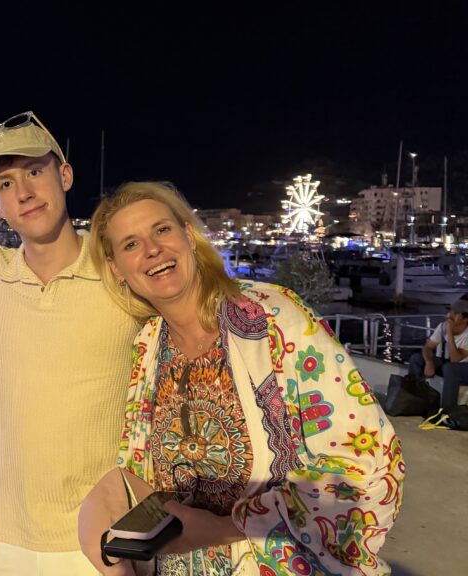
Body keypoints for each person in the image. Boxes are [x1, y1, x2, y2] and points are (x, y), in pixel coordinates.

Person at [80, 181, 404, 575]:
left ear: (189, 236)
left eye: (162, 229)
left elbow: (365, 464)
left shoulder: (274, 319)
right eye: (131, 244)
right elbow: (141, 468)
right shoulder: (148, 346)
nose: (152, 249)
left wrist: (224, 529)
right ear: (116, 268)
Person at [0, 111, 139, 574]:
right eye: (6, 184)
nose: (24, 192)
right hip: (3, 540)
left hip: (101, 539)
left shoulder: (119, 271)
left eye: (35, 172)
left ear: (66, 175)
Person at [407, 299, 468, 411]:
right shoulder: (443, 326)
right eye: (450, 311)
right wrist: (429, 362)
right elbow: (428, 347)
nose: (449, 315)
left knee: (450, 368)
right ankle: (415, 399)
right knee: (416, 359)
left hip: (463, 370)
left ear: (465, 319)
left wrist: (449, 332)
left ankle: (448, 411)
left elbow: (455, 360)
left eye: (455, 313)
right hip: (451, 367)